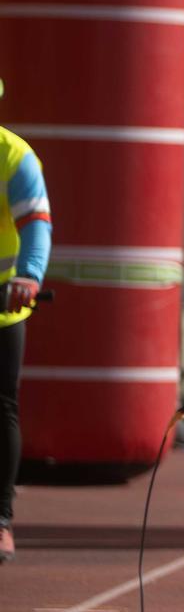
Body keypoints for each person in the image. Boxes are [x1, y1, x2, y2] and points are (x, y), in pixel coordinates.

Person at [0, 109, 52, 565]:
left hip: (1, 311)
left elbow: (35, 224)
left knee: (2, 407)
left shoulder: (14, 156)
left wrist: (29, 276)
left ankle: (0, 521)